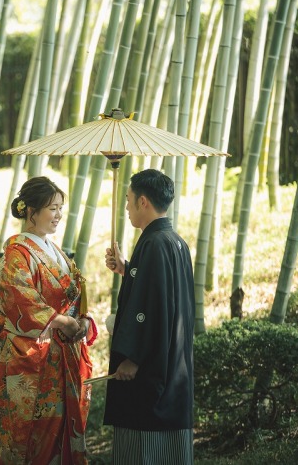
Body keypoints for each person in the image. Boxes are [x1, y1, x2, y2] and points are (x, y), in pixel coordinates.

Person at [0, 176, 98, 464]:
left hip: (62, 353)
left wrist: (83, 321)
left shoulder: (53, 250)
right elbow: (22, 301)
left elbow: (74, 299)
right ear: (31, 212)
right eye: (52, 208)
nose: (59, 215)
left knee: (63, 426)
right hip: (36, 357)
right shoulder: (18, 253)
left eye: (60, 208)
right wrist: (64, 322)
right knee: (32, 434)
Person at [103, 168, 195, 464]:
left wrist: (133, 358)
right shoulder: (175, 241)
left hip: (150, 369)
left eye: (128, 201)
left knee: (144, 449)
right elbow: (159, 294)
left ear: (143, 201)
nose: (127, 208)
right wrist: (127, 268)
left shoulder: (154, 244)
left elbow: (151, 309)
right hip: (172, 365)